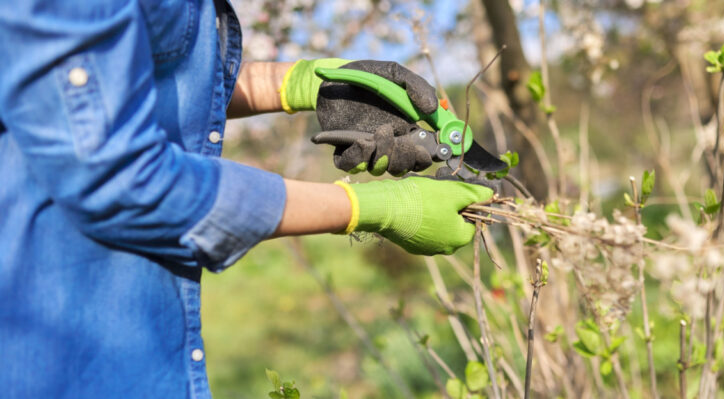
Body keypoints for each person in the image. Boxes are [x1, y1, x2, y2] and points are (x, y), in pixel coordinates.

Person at [0, 1, 492, 398]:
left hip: (142, 339)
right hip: (58, 354)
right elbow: (117, 178)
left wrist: (304, 81)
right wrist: (371, 209)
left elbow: (137, 83)